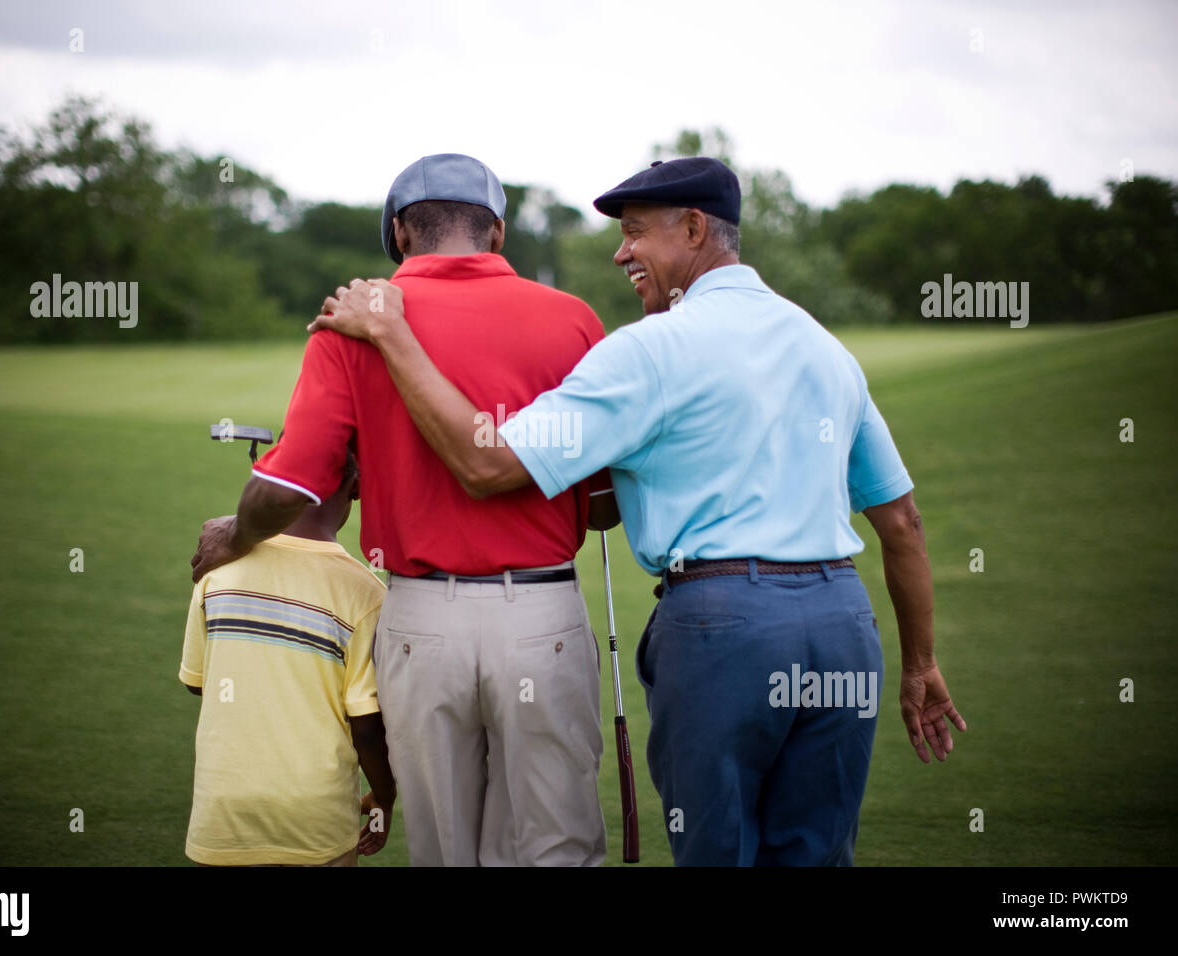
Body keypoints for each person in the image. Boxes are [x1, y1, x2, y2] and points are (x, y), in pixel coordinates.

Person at [308, 156, 967, 867]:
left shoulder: (649, 351)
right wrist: (920, 662)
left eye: (634, 233)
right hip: (842, 626)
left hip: (724, 629)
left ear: (692, 229)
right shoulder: (825, 347)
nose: (621, 251)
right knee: (818, 854)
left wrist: (392, 335)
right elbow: (902, 523)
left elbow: (488, 463)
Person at [190, 153, 618, 867]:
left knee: (444, 854)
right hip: (543, 618)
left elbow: (295, 486)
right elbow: (603, 507)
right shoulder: (573, 319)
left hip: (422, 623)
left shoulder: (353, 320)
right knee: (556, 847)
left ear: (399, 232)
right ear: (497, 231)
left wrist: (236, 533)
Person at [180, 451, 396, 866]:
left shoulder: (216, 569)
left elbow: (196, 681)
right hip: (315, 814)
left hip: (224, 805)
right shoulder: (368, 595)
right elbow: (367, 725)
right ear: (358, 486)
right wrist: (384, 797)